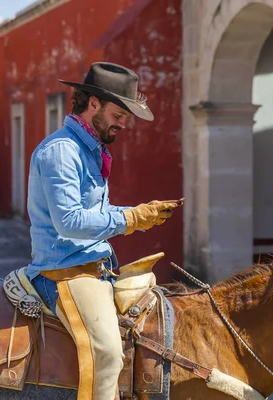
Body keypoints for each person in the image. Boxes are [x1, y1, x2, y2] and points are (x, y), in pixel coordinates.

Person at [26, 62, 183, 400]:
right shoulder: (62, 152)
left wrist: (140, 213)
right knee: (110, 355)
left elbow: (94, 213)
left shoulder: (87, 149)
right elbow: (69, 221)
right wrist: (132, 220)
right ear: (93, 104)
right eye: (118, 113)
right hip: (64, 273)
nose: (123, 122)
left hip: (95, 268)